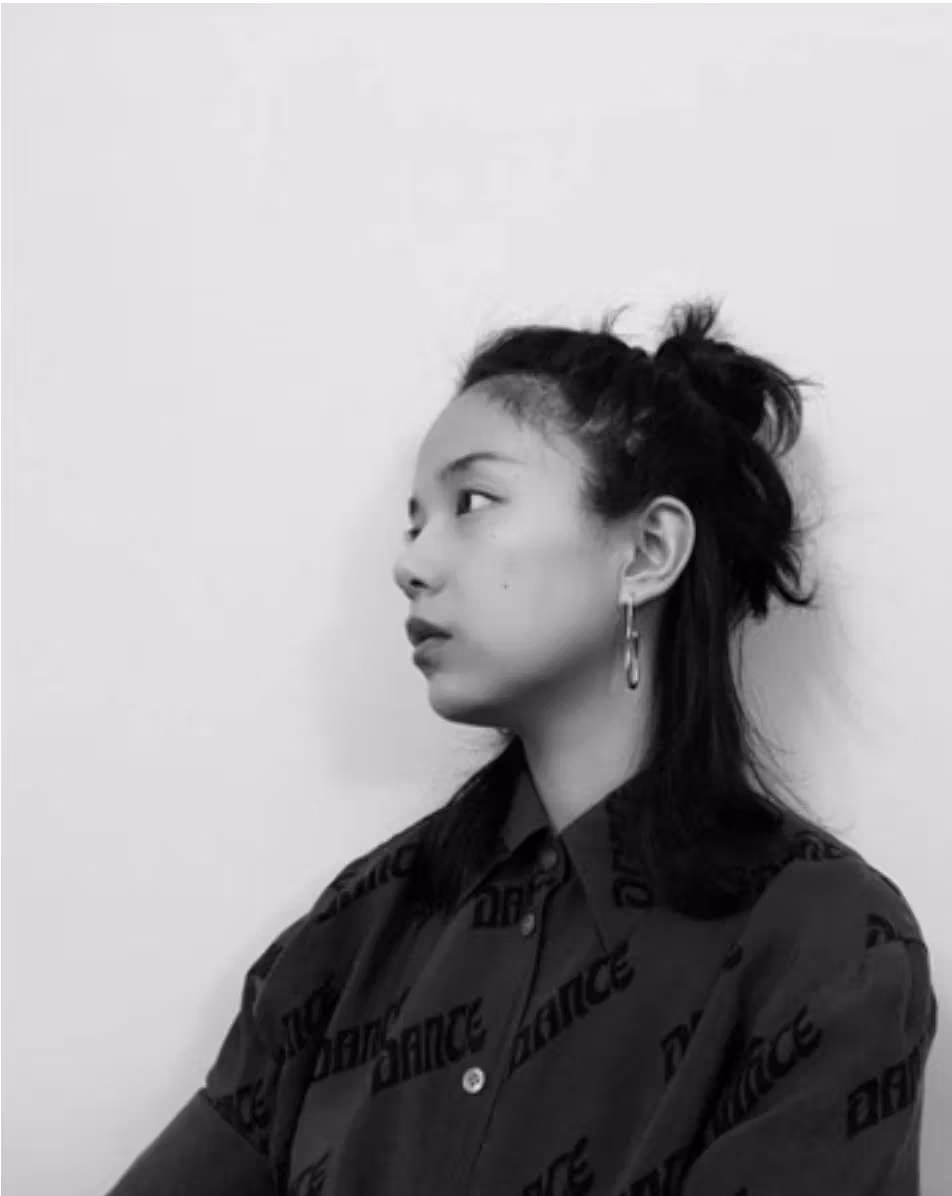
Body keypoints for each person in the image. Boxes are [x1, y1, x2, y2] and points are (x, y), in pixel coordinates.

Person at [105, 298, 938, 1195]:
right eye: (415, 520)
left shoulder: (831, 950)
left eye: (473, 502)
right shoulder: (357, 929)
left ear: (648, 550)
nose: (412, 562)